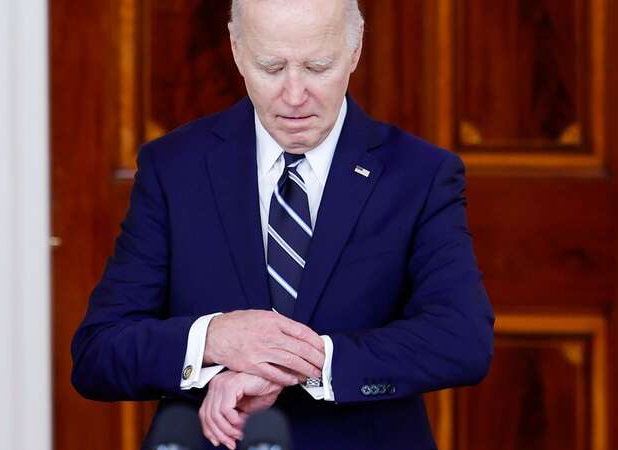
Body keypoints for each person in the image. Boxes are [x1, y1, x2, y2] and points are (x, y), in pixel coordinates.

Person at [70, 0, 494, 448]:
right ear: (236, 48)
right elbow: (98, 353)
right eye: (271, 67)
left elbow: (462, 340)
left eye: (317, 66)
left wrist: (307, 362)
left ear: (355, 49)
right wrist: (214, 338)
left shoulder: (421, 174)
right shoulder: (174, 167)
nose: (294, 96)